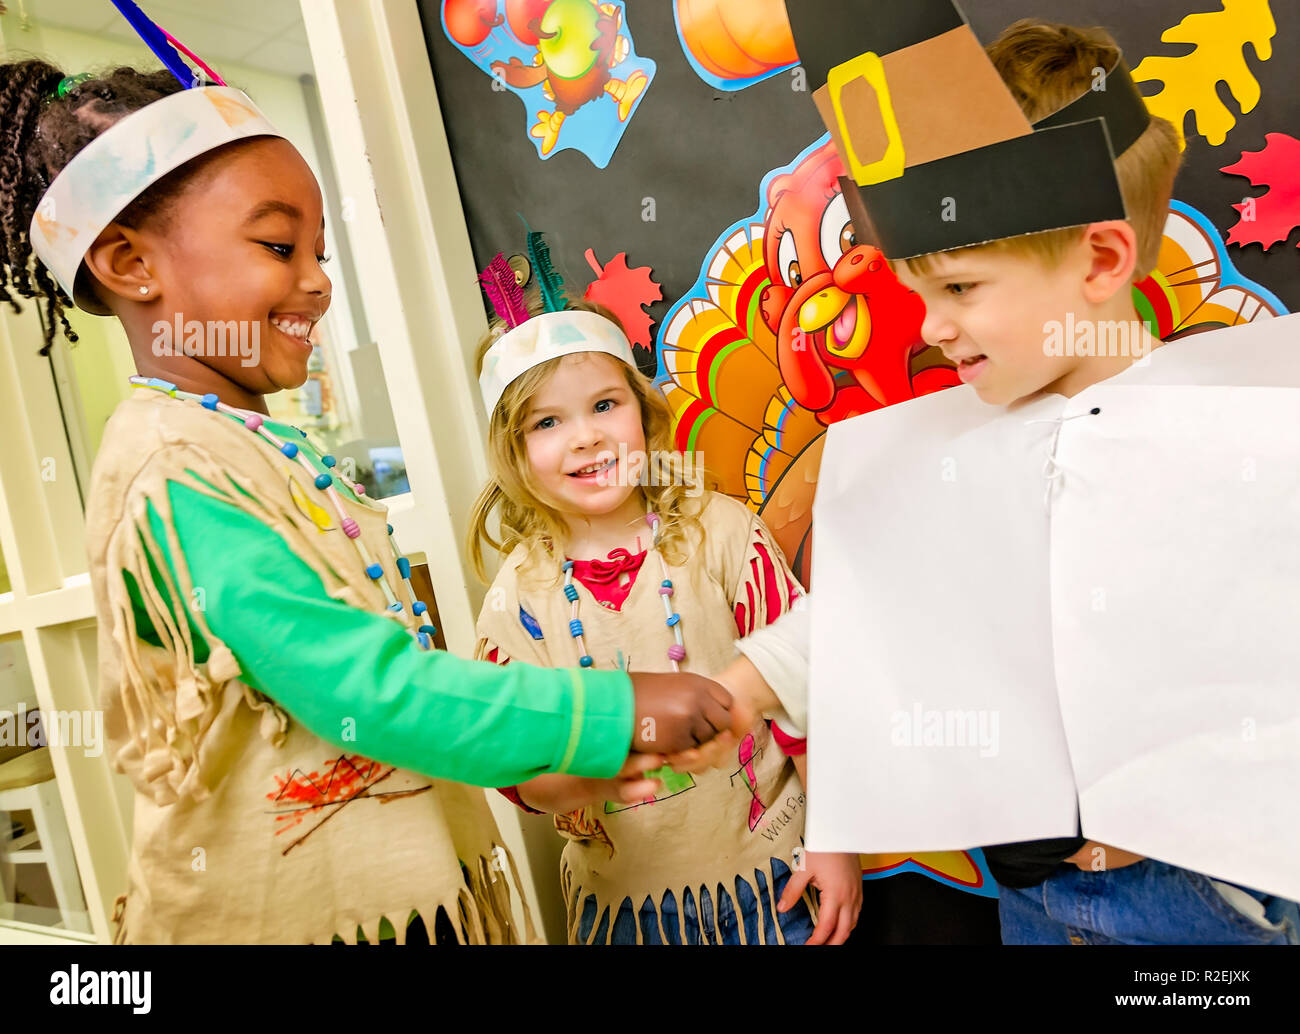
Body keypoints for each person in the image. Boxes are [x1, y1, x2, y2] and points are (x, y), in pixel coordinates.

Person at [0, 44, 742, 944]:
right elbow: (366, 688)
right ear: (128, 262)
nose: (316, 279)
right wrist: (609, 711)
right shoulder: (172, 468)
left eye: (318, 249)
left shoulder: (254, 440)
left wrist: (564, 760)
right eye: (279, 245)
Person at [678, 7, 1300, 945]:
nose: (930, 325)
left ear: (1099, 259)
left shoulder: (1248, 435)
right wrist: (736, 692)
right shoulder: (949, 458)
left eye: (960, 288)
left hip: (1204, 907)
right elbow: (871, 612)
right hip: (1032, 897)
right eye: (918, 290)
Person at [466, 289, 862, 944]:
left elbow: (803, 691)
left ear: (644, 415)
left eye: (603, 405)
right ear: (514, 453)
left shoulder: (720, 533)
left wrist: (834, 838)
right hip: (625, 909)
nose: (586, 436)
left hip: (772, 877)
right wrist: (573, 772)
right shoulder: (518, 601)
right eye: (547, 423)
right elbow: (520, 773)